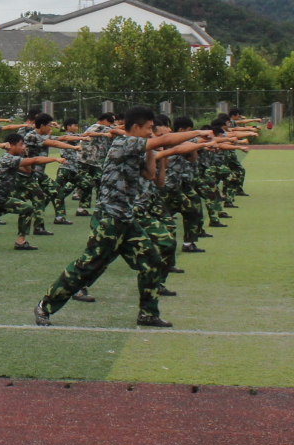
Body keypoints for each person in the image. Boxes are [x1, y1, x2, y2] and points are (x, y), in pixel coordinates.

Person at [34, 108, 206, 327]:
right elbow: (169, 139)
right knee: (87, 266)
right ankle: (44, 306)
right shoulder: (123, 143)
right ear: (135, 128)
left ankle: (148, 314)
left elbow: (151, 175)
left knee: (153, 261)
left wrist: (153, 147)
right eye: (148, 128)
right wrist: (198, 133)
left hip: (126, 218)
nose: (151, 132)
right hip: (109, 219)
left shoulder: (138, 148)